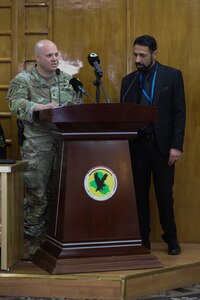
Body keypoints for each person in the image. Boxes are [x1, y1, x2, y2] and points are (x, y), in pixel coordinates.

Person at [7, 39, 82, 259]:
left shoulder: (68, 81)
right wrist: (39, 107)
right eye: (49, 55)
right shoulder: (24, 80)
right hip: (37, 147)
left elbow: (78, 108)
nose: (54, 59)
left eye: (56, 54)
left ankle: (55, 241)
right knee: (37, 196)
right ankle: (32, 246)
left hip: (66, 145)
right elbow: (15, 104)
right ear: (37, 58)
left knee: (61, 194)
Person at [120, 35, 186, 255]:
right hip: (137, 147)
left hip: (163, 147)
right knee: (139, 195)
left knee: (164, 195)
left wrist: (176, 146)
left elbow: (179, 113)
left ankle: (171, 238)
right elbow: (124, 115)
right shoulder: (128, 82)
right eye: (135, 54)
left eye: (142, 55)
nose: (138, 59)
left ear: (154, 55)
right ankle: (143, 239)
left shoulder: (172, 76)